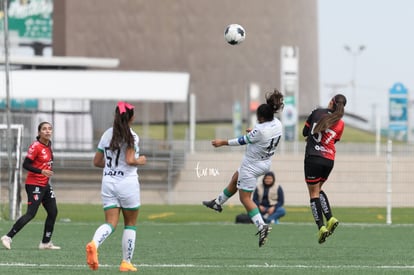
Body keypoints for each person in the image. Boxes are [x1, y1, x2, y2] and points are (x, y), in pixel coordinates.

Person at [203, 89, 284, 247]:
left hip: (252, 166)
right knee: (235, 178)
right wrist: (253, 132)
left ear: (260, 118)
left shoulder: (260, 130)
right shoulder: (277, 124)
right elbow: (259, 134)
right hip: (266, 163)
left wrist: (222, 142)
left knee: (245, 198)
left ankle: (262, 226)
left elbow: (243, 140)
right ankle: (218, 202)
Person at [85, 101, 147, 272]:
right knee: (130, 224)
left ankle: (94, 244)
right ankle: (126, 262)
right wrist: (141, 160)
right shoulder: (132, 136)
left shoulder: (107, 134)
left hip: (108, 183)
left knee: (110, 223)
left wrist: (112, 168)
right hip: (127, 184)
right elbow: (130, 160)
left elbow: (97, 161)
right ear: (132, 117)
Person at [1, 121, 61, 250]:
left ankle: (45, 242)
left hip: (45, 184)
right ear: (39, 132)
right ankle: (8, 237)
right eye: (44, 129)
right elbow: (26, 165)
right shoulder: (36, 146)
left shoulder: (48, 145)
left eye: (50, 129)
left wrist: (45, 172)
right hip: (34, 185)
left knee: (53, 212)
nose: (48, 131)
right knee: (31, 213)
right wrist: (41, 171)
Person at [302, 94, 347, 244]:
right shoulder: (341, 123)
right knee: (318, 189)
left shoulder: (317, 112)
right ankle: (330, 218)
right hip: (329, 160)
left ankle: (321, 227)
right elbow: (334, 140)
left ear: (331, 102)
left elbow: (304, 132)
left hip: (313, 157)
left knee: (313, 194)